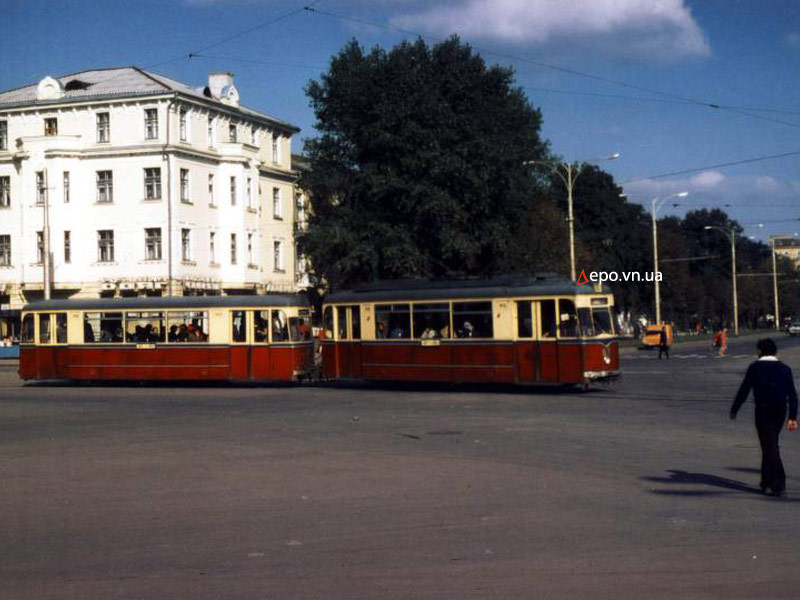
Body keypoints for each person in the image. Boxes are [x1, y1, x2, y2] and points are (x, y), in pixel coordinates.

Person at [730, 338, 798, 497]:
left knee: (770, 446)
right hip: (781, 410)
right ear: (775, 352)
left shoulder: (755, 367)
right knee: (770, 443)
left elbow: (744, 389)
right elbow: (792, 394)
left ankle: (778, 483)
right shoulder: (784, 368)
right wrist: (793, 416)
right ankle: (766, 482)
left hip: (764, 410)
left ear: (760, 351)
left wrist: (735, 408)